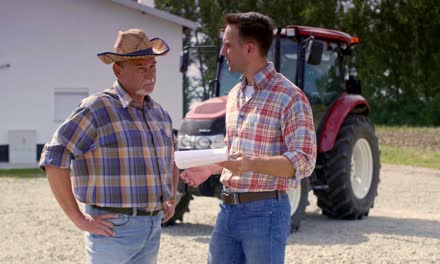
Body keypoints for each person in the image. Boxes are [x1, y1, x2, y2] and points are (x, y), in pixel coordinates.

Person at [180, 12, 316, 264]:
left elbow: (304, 161)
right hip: (228, 208)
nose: (223, 51)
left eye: (228, 44)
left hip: (266, 212)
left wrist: (252, 163)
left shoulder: (290, 96)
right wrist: (208, 169)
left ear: (250, 48)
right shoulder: (234, 95)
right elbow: (233, 154)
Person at [39, 29, 178, 264]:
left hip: (152, 226)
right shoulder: (97, 108)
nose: (150, 74)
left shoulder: (159, 113)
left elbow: (172, 158)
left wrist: (171, 198)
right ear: (117, 69)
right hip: (113, 228)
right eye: (141, 68)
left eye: (153, 66)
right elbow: (54, 157)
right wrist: (78, 218)